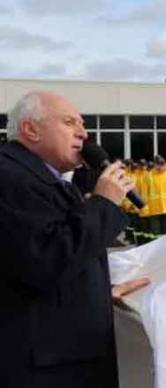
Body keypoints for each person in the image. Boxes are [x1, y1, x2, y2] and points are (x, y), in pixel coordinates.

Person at [0, 91, 149, 387]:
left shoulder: (45, 178)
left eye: (83, 124)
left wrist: (100, 292)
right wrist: (103, 205)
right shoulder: (10, 178)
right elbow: (46, 261)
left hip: (63, 354)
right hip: (44, 367)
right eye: (69, 122)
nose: (83, 133)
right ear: (31, 129)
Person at [144, 155, 166, 235]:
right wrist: (145, 209)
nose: (160, 166)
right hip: (154, 209)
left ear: (165, 164)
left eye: (162, 164)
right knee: (155, 233)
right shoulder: (149, 176)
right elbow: (145, 194)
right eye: (158, 164)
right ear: (154, 164)